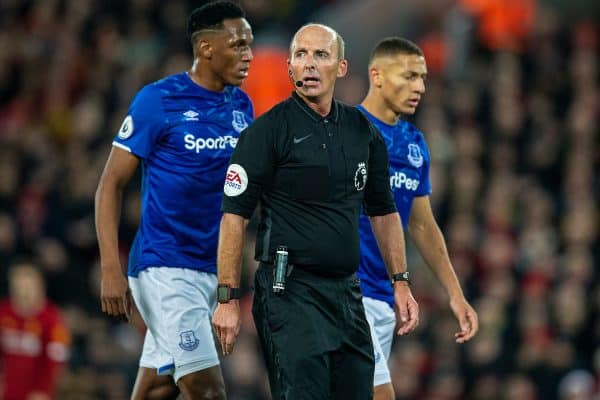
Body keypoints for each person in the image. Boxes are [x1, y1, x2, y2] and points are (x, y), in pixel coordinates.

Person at [212, 23, 419, 400]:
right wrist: (226, 298)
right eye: (301, 55)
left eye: (320, 54)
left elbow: (383, 211)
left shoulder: (362, 131)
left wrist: (400, 281)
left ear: (340, 67)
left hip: (345, 291)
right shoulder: (266, 133)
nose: (309, 64)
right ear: (289, 68)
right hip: (288, 292)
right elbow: (233, 216)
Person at [94, 1, 254, 399]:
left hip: (210, 269)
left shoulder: (242, 106)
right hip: (164, 267)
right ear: (205, 48)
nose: (248, 54)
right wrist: (111, 269)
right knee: (209, 391)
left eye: (249, 44)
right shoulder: (158, 101)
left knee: (157, 388)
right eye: (237, 44)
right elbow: (109, 186)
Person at [356, 37, 480, 400]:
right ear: (376, 76)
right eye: (408, 76)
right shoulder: (344, 130)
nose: (420, 87)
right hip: (344, 291)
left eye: (423, 78)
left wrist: (455, 295)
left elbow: (422, 225)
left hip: (383, 297)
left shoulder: (414, 144)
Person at [0, 261, 70, 400]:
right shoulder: (3, 313)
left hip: (36, 394)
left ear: (39, 287)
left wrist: (43, 390)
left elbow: (56, 360)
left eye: (28, 286)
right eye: (19, 286)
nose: (24, 291)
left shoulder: (52, 319)